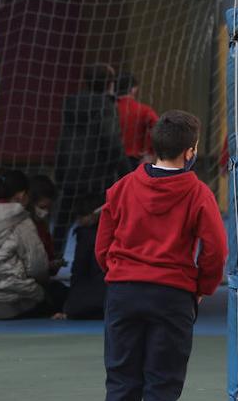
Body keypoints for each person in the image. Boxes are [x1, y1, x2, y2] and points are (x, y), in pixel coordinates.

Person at [94, 110, 228, 401]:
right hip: (172, 296)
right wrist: (201, 288)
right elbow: (216, 250)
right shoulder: (198, 193)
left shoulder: (122, 188)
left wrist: (118, 272)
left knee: (122, 382)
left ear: (153, 147)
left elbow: (102, 245)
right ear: (190, 151)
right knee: (162, 387)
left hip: (124, 291)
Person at [0, 169, 67, 320]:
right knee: (56, 293)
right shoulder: (22, 221)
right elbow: (37, 266)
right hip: (13, 289)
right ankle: (10, 305)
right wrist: (47, 271)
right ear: (22, 196)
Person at [53, 63, 130, 253]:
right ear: (110, 83)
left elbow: (65, 138)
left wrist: (60, 169)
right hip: (97, 174)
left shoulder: (72, 103)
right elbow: (110, 140)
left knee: (62, 222)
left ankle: (52, 259)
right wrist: (126, 172)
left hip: (70, 168)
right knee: (99, 223)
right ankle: (92, 267)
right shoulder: (105, 106)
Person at [62, 198, 108, 320]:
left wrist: (69, 308)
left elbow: (79, 271)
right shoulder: (113, 230)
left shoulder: (86, 235)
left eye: (82, 216)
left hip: (93, 299)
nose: (79, 220)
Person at [115, 71, 159, 170]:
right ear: (134, 89)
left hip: (108, 161)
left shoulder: (108, 109)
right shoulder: (143, 110)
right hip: (134, 161)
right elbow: (159, 129)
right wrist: (150, 151)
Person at [26, 174, 63, 273]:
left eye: (49, 208)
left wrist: (53, 264)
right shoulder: (21, 227)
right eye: (42, 207)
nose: (46, 212)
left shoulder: (42, 226)